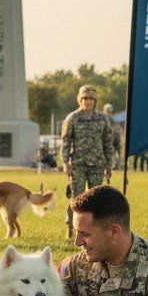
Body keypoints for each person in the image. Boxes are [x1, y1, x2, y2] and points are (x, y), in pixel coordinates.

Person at [60, 84, 113, 238]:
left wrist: (109, 165)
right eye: (85, 98)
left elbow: (108, 143)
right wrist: (65, 163)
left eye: (91, 99)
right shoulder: (73, 118)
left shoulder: (102, 119)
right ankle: (71, 227)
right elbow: (66, 141)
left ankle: (94, 229)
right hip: (78, 165)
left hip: (97, 164)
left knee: (95, 199)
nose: (88, 101)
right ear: (80, 100)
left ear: (95, 101)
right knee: (76, 198)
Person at [102, 103, 122, 170]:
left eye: (110, 111)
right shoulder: (102, 118)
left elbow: (115, 128)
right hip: (105, 139)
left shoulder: (111, 119)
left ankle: (115, 165)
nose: (109, 113)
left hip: (111, 139)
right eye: (108, 111)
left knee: (114, 152)